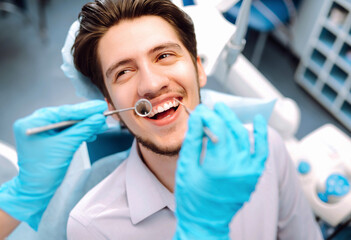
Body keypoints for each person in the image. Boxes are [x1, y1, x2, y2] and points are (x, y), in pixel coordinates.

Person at [65, 0, 322, 239]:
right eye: (123, 72)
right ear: (110, 104)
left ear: (199, 70)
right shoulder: (93, 228)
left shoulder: (266, 150)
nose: (152, 85)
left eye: (164, 56)